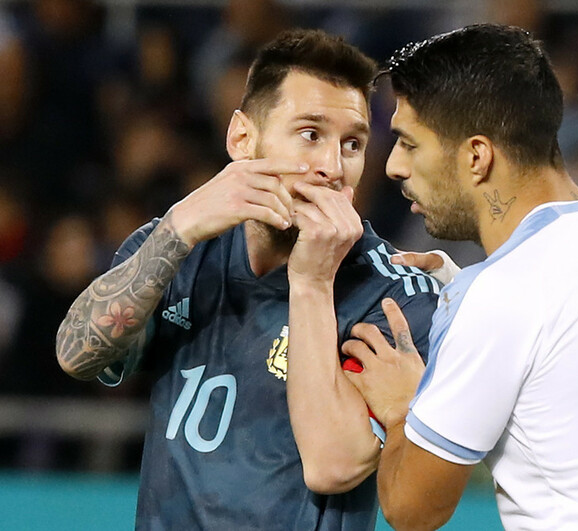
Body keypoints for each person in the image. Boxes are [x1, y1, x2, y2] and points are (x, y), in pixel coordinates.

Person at [343, 24, 578, 530]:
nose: (394, 166)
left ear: (477, 156)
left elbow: (411, 509)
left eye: (409, 143)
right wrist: (464, 292)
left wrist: (401, 409)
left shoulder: (504, 297)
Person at [55, 29, 439, 529]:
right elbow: (76, 355)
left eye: (352, 144)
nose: (332, 167)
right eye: (310, 134)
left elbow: (335, 465)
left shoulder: (394, 295)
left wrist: (312, 281)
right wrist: (178, 226)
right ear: (242, 139)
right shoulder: (177, 250)